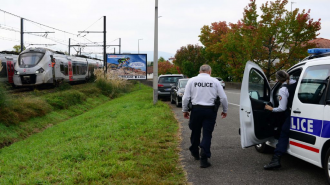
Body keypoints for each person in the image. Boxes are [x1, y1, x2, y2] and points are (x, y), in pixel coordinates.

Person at [182, 64, 228, 168]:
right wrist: (225, 110)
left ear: (199, 71)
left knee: (195, 131)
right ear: (210, 72)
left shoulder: (192, 81)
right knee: (207, 134)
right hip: (210, 111)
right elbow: (223, 98)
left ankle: (194, 151)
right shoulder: (215, 81)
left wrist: (185, 110)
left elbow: (185, 98)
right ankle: (204, 157)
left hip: (196, 110)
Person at [263, 70, 297, 170]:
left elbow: (282, 108)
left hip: (291, 113)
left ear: (277, 79)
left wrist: (271, 109)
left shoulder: (283, 89)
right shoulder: (295, 83)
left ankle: (276, 160)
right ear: (288, 76)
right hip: (299, 112)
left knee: (284, 134)